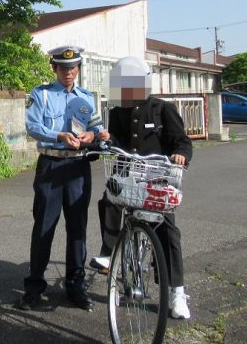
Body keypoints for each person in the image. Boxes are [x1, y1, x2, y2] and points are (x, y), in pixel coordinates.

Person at [89, 56, 193, 319]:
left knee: (168, 233)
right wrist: (108, 138)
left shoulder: (162, 109)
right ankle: (109, 253)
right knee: (108, 200)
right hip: (126, 174)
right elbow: (119, 141)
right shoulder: (117, 112)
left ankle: (176, 292)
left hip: (156, 179)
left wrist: (181, 154)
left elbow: (182, 141)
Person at [19, 46, 108, 311]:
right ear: (54, 69)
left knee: (78, 228)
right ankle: (34, 287)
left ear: (78, 69)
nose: (69, 73)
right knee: (44, 227)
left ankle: (75, 287)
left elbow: (97, 127)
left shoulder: (86, 98)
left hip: (78, 167)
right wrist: (59, 135)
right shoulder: (41, 94)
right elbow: (32, 126)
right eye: (63, 68)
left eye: (73, 68)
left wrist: (94, 135)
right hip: (51, 165)